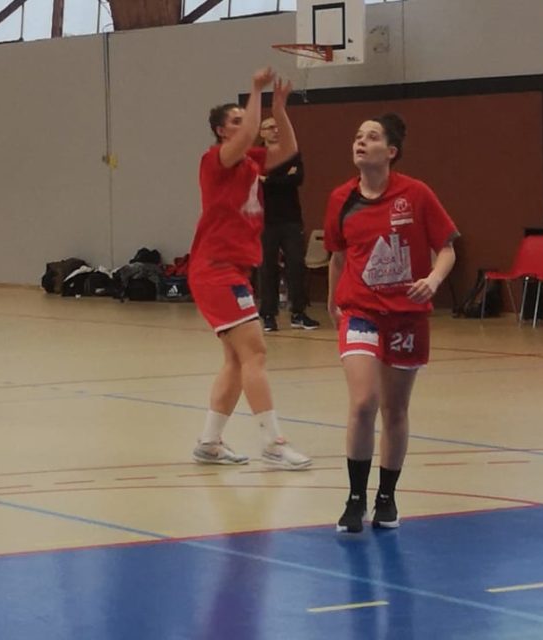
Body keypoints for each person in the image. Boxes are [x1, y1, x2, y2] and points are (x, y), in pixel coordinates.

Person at [325, 113, 459, 533]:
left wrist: (432, 280)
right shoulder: (341, 198)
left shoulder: (416, 194)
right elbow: (338, 256)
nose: (361, 142)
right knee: (363, 402)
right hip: (360, 311)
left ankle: (387, 496)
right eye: (357, 135)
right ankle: (355, 498)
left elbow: (447, 248)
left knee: (395, 409)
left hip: (406, 316)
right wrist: (333, 302)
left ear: (391, 151)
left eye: (372, 136)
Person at [188, 68, 311, 470]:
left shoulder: (251, 163)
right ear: (221, 131)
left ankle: (209, 443)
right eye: (236, 121)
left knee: (237, 359)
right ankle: (273, 443)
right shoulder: (215, 160)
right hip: (215, 269)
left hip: (236, 270)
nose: (246, 127)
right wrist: (256, 91)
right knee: (256, 351)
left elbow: (288, 149)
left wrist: (280, 107)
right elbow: (247, 136)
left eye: (247, 119)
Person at [257, 117, 319, 332]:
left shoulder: (291, 152)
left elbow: (296, 179)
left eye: (278, 127)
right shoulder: (257, 156)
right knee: (268, 268)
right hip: (266, 220)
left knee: (296, 265)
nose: (275, 130)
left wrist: (268, 180)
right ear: (261, 132)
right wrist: (281, 178)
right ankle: (268, 314)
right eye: (270, 127)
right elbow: (255, 181)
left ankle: (298, 313)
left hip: (291, 219)